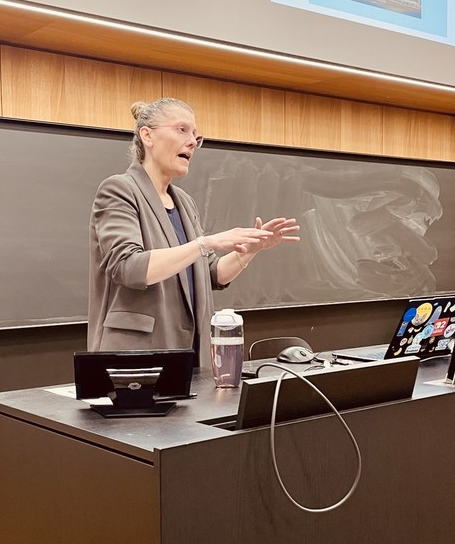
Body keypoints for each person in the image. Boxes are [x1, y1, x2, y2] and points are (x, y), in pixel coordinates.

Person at [88, 98, 299, 368]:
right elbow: (129, 267)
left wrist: (249, 251)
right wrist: (205, 242)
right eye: (181, 130)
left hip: (192, 356)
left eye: (196, 137)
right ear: (147, 135)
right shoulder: (119, 190)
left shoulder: (184, 202)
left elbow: (212, 273)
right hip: (136, 358)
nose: (192, 142)